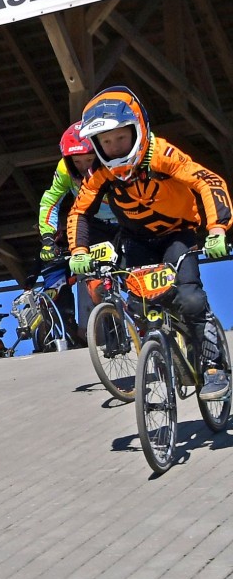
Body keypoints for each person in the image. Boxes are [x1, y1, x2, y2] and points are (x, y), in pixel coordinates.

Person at [66, 85, 232, 398]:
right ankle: (158, 347)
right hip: (137, 240)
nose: (114, 147)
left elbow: (208, 181)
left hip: (177, 234)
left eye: (121, 137)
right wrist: (78, 251)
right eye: (105, 141)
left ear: (138, 129)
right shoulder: (100, 173)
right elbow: (79, 211)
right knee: (138, 304)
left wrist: (217, 229)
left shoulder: (162, 154)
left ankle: (214, 367)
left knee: (190, 300)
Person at [37, 122, 121, 339]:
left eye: (89, 159)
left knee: (135, 272)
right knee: (97, 281)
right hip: (94, 224)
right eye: (77, 161)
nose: (83, 167)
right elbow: (50, 201)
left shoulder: (115, 160)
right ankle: (113, 328)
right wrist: (48, 238)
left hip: (127, 220)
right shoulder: (64, 169)